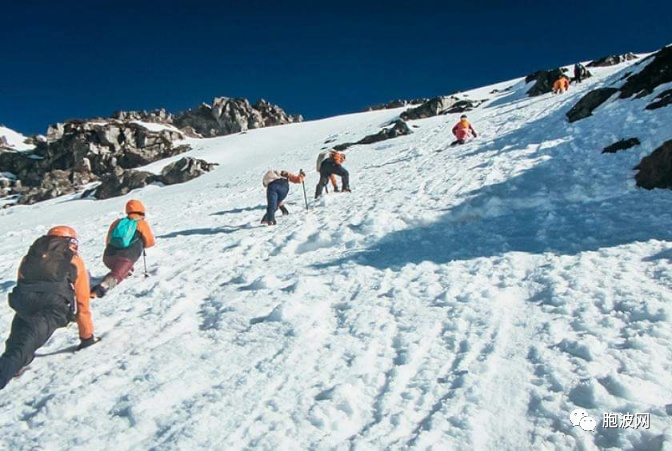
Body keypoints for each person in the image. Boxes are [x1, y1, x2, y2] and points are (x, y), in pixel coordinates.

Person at [0, 226, 95, 389]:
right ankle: (11, 367)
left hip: (24, 301)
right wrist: (87, 337)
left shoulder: (32, 256)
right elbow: (82, 301)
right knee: (20, 349)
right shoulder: (74, 260)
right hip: (53, 307)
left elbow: (22, 281)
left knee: (18, 342)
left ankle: (17, 363)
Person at [91, 199, 156, 298]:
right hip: (126, 258)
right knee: (117, 275)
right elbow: (150, 242)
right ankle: (100, 289)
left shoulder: (117, 222)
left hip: (108, 257)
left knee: (121, 270)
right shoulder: (141, 223)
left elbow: (108, 240)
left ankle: (126, 271)